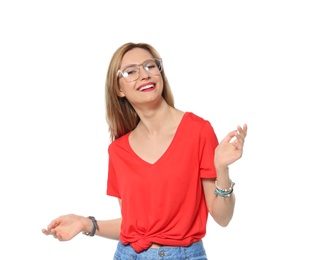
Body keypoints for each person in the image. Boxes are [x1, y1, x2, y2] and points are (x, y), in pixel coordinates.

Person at [42, 42, 248, 259]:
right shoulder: (118, 151)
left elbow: (223, 218)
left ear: (160, 73)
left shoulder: (198, 131)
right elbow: (135, 228)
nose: (144, 75)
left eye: (150, 66)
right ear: (119, 89)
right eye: (131, 71)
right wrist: (86, 223)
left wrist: (221, 169)